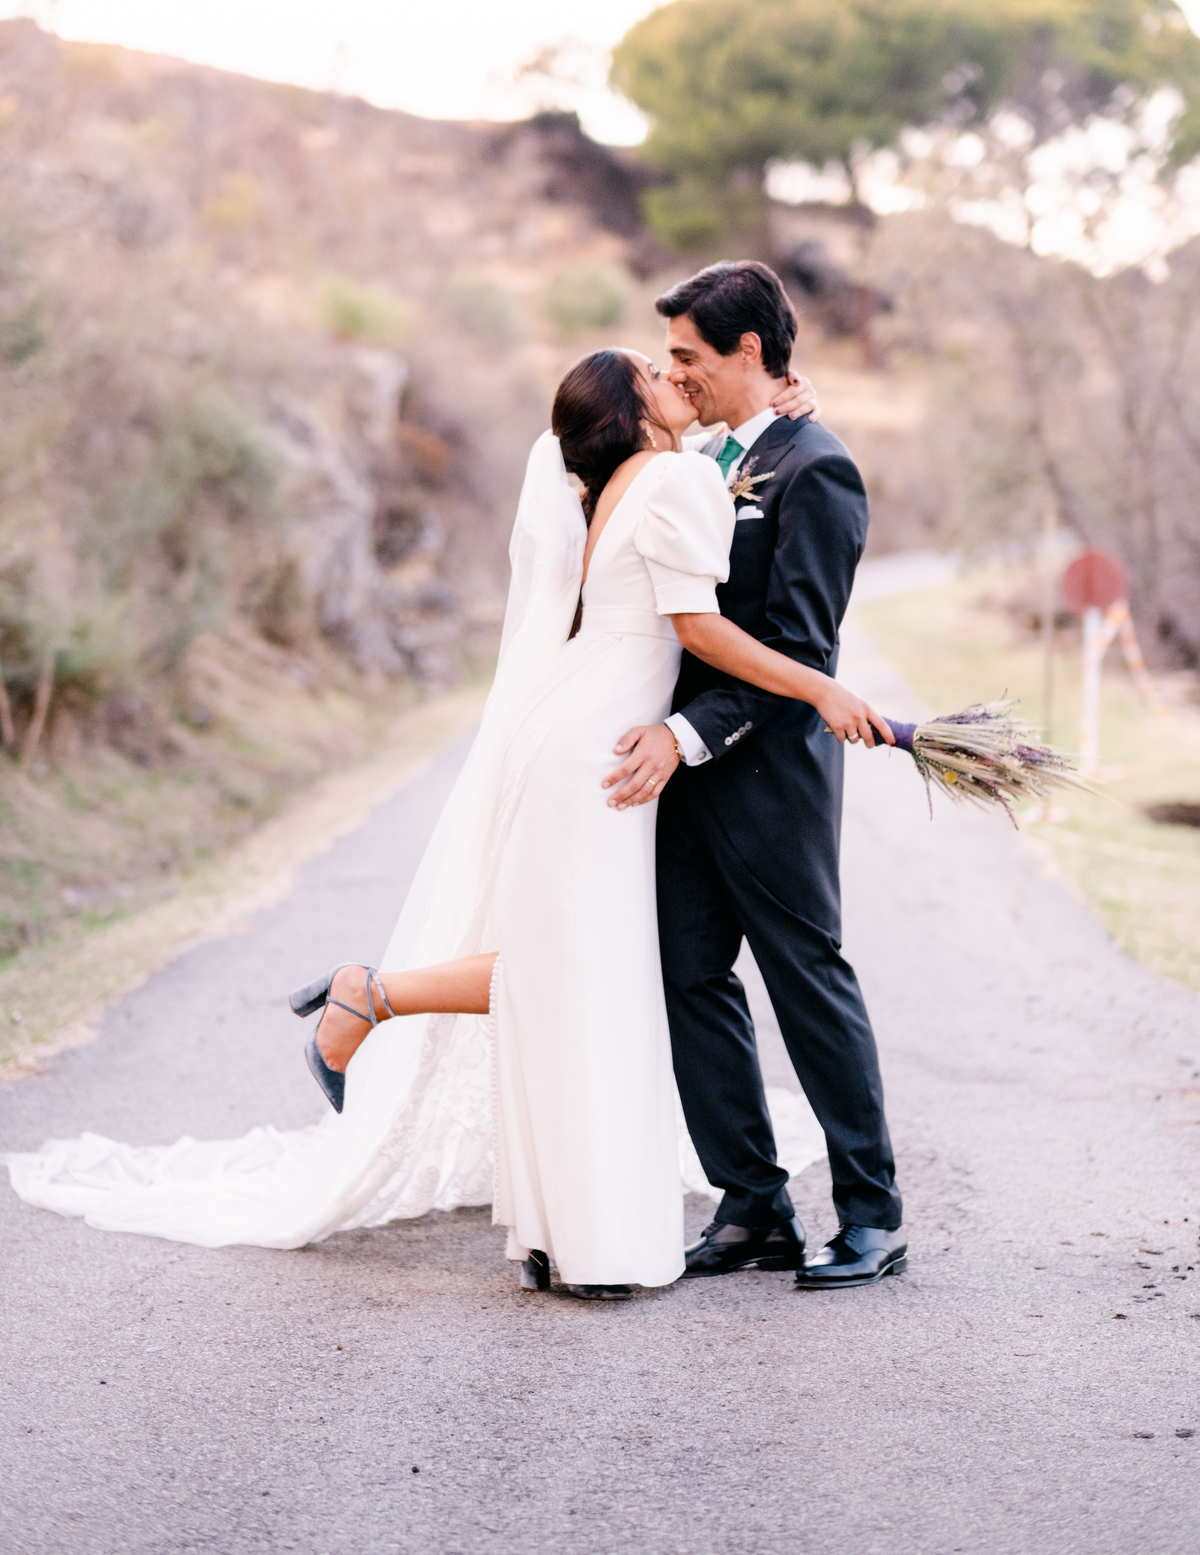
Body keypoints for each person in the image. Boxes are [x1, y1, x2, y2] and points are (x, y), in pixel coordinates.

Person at [6, 343, 890, 1299]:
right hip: (603, 748)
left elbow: (716, 502)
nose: (675, 378)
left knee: (573, 968)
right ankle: (573, 1224)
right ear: (636, 414)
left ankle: (518, 1181)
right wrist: (821, 688)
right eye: (657, 372)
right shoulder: (673, 476)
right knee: (579, 972)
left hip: (577, 726)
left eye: (682, 362)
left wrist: (772, 421)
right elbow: (702, 624)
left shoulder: (620, 484)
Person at [601, 262, 906, 1290]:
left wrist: (686, 734)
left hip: (768, 778)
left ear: (747, 354)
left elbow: (799, 654)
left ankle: (874, 1214)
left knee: (806, 982)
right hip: (681, 778)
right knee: (690, 981)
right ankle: (753, 1204)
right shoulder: (694, 454)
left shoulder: (816, 468)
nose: (674, 373)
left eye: (689, 355)